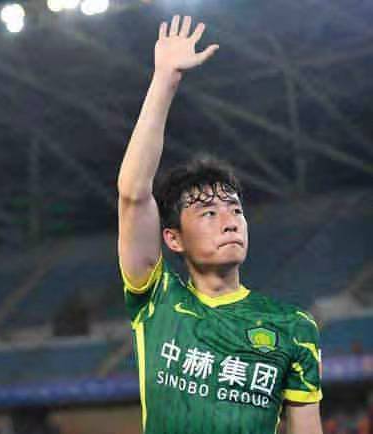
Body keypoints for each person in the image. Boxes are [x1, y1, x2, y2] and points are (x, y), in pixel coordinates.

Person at [117, 15, 322, 434]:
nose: (230, 221)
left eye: (235, 210)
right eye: (209, 213)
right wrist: (165, 81)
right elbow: (133, 195)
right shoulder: (157, 301)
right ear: (173, 238)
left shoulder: (293, 328)